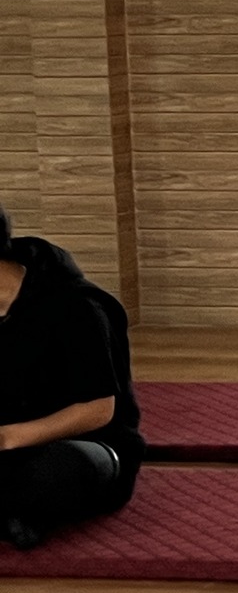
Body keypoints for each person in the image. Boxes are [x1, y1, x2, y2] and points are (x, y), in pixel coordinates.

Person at [0, 207, 145, 549]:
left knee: (57, 471)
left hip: (82, 444)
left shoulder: (75, 306)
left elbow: (98, 410)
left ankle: (19, 510)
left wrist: (8, 436)